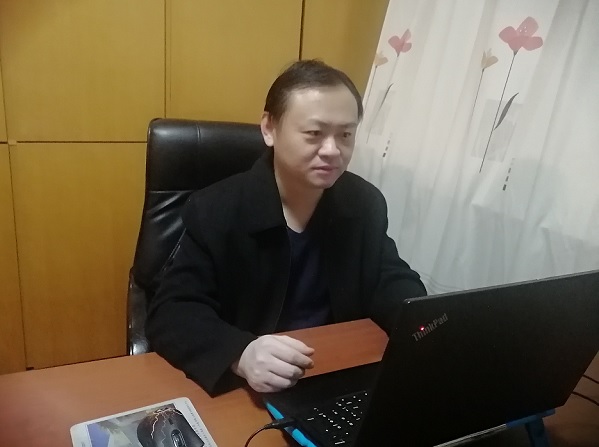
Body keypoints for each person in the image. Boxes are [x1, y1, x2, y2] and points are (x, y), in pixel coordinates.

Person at [145, 60, 426, 397]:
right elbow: (172, 311)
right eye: (314, 134)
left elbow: (390, 278)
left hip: (335, 369)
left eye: (346, 135)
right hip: (253, 383)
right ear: (269, 128)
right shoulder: (216, 209)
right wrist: (239, 353)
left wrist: (426, 324)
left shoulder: (364, 203)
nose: (332, 150)